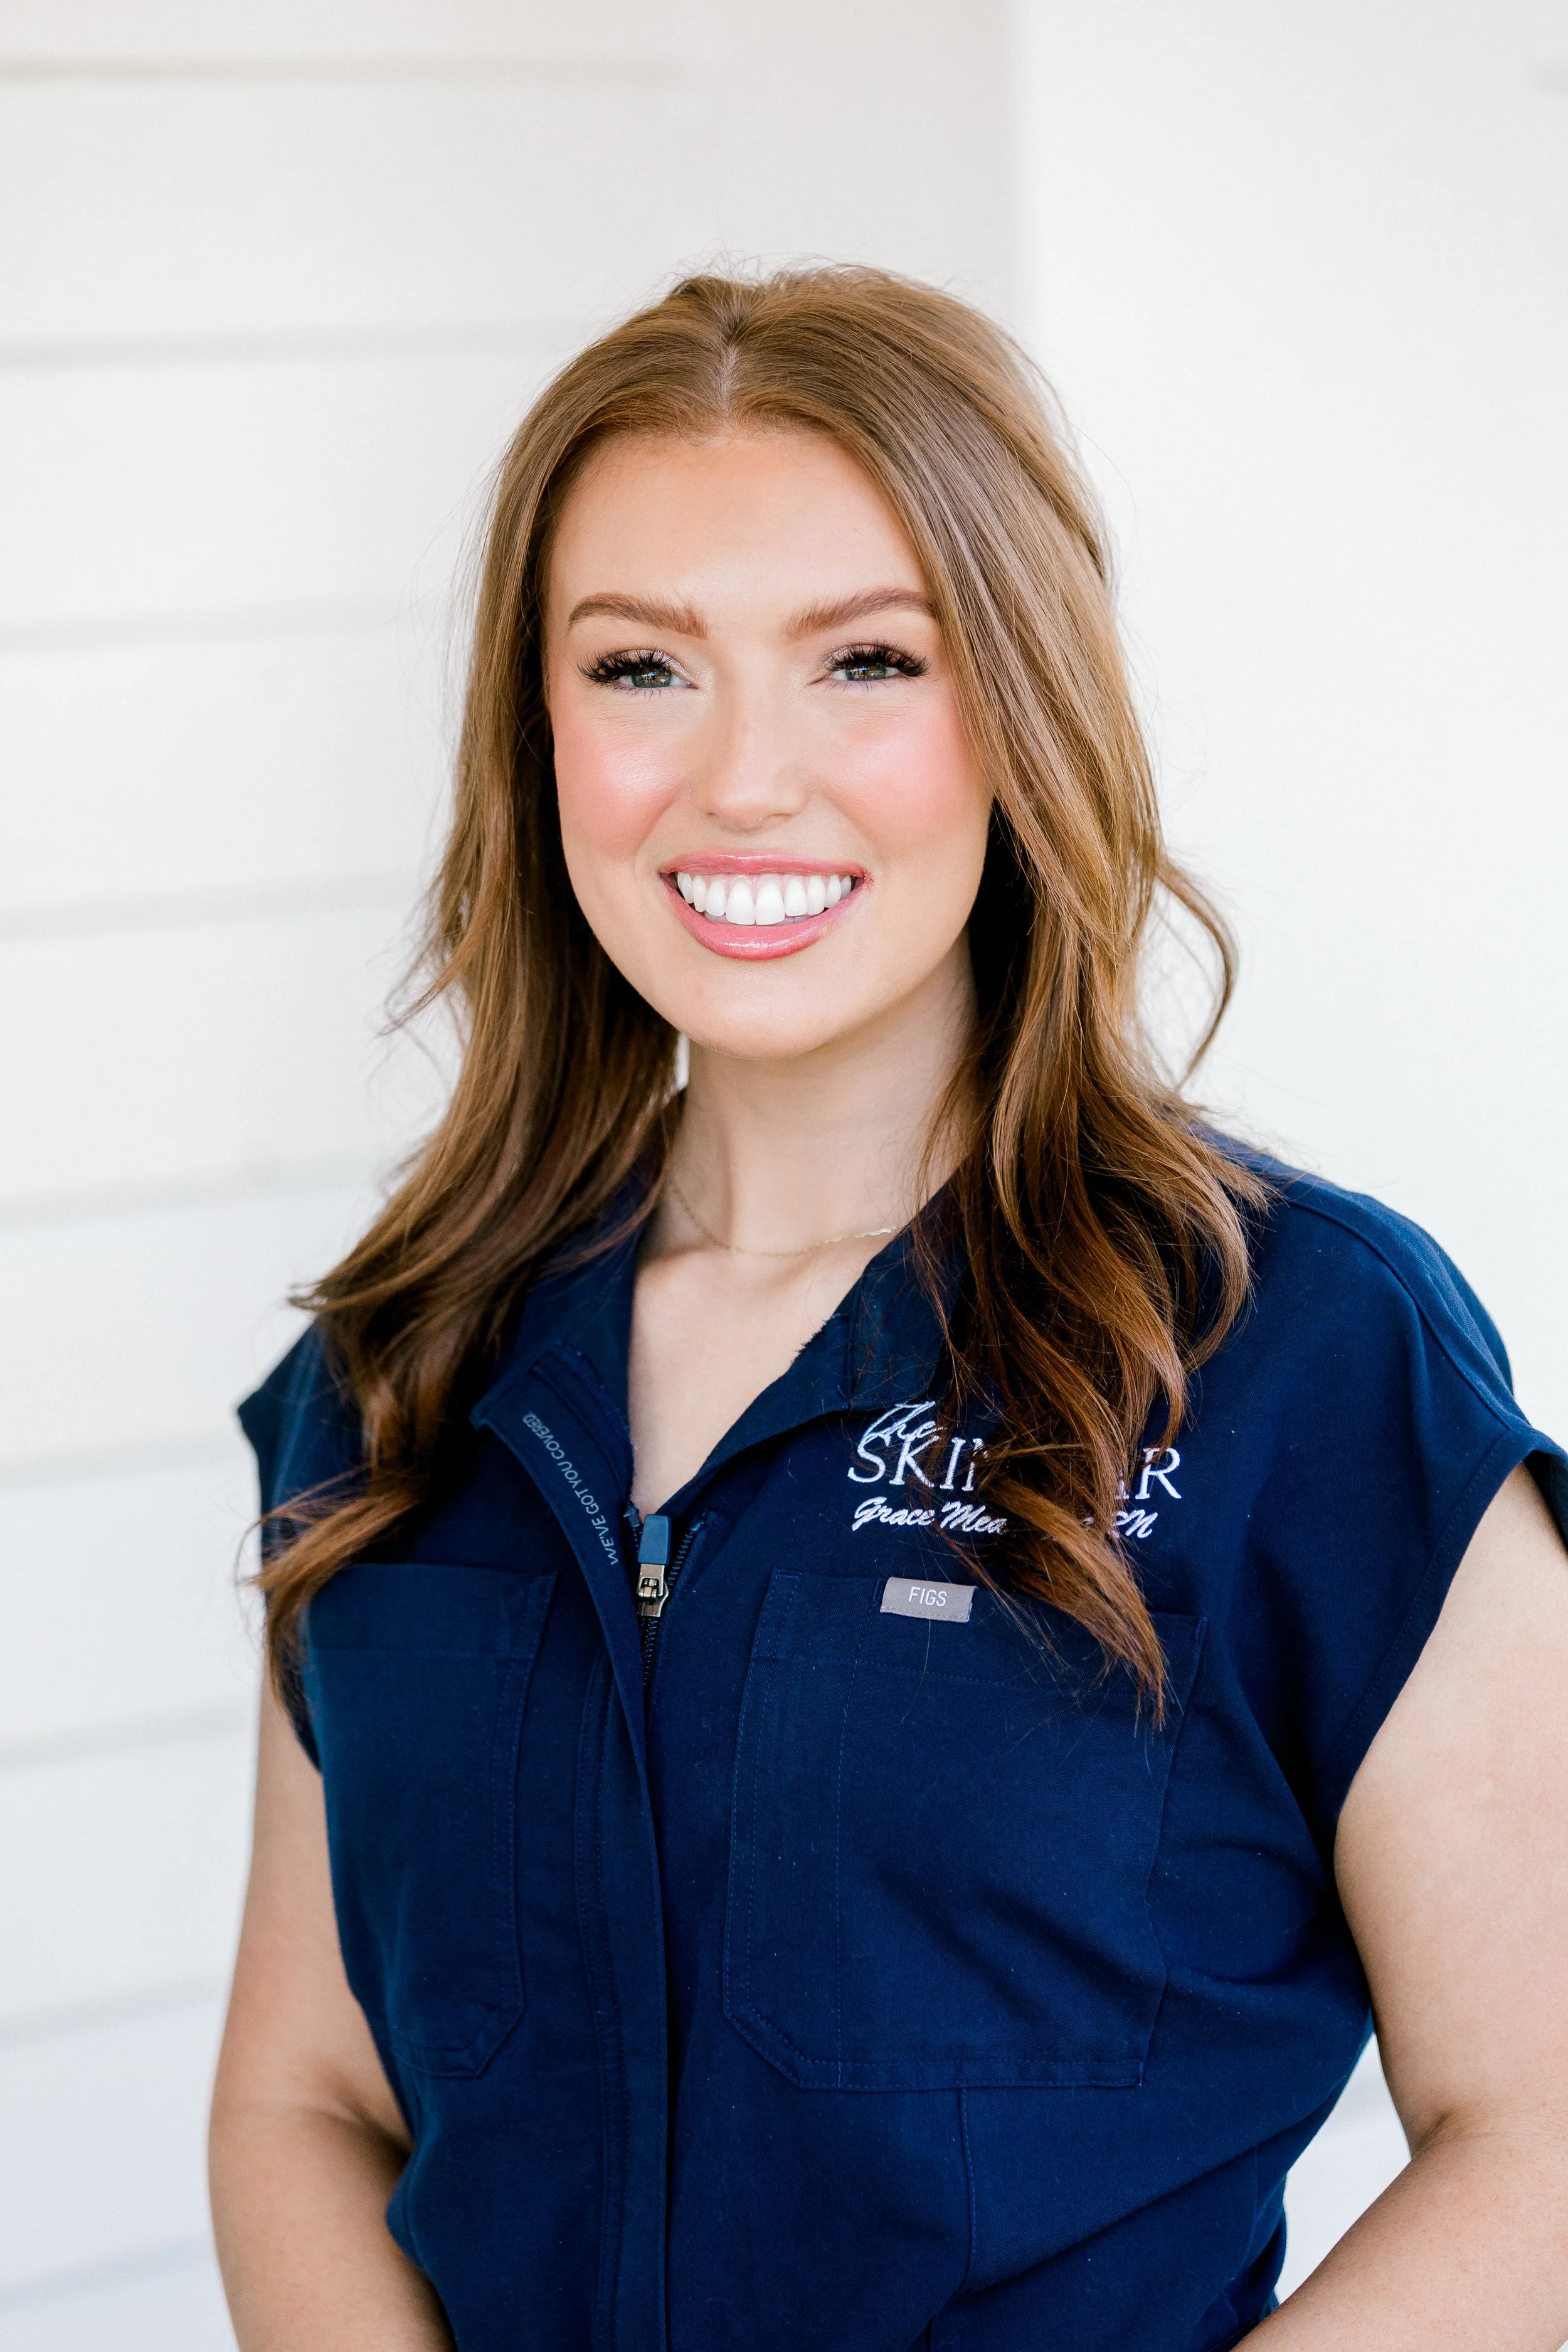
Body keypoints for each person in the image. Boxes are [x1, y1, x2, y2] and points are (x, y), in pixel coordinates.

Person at [208, 268, 1568, 2352]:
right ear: (539, 728)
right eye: (642, 666)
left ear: (1018, 700)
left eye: (863, 660)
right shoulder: (403, 1368)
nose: (742, 779)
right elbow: (306, 2093)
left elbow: (1539, 2126)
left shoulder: (1300, 1354)